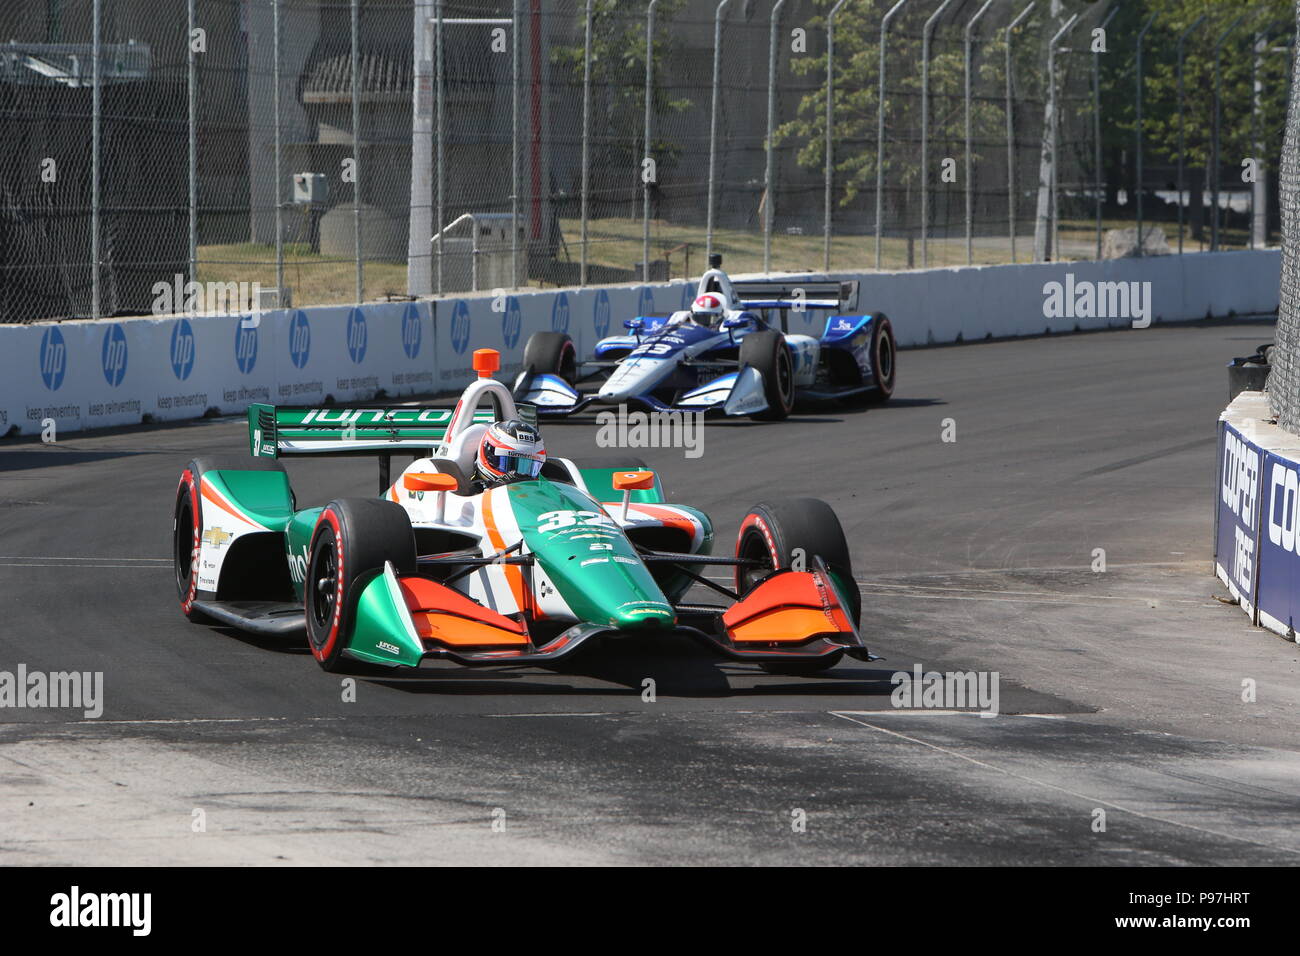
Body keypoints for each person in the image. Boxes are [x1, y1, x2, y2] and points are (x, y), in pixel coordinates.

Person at [473, 419, 546, 490]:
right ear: (488, 456)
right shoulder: (468, 494)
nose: (518, 476)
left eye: (528, 468)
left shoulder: (546, 489)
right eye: (509, 464)